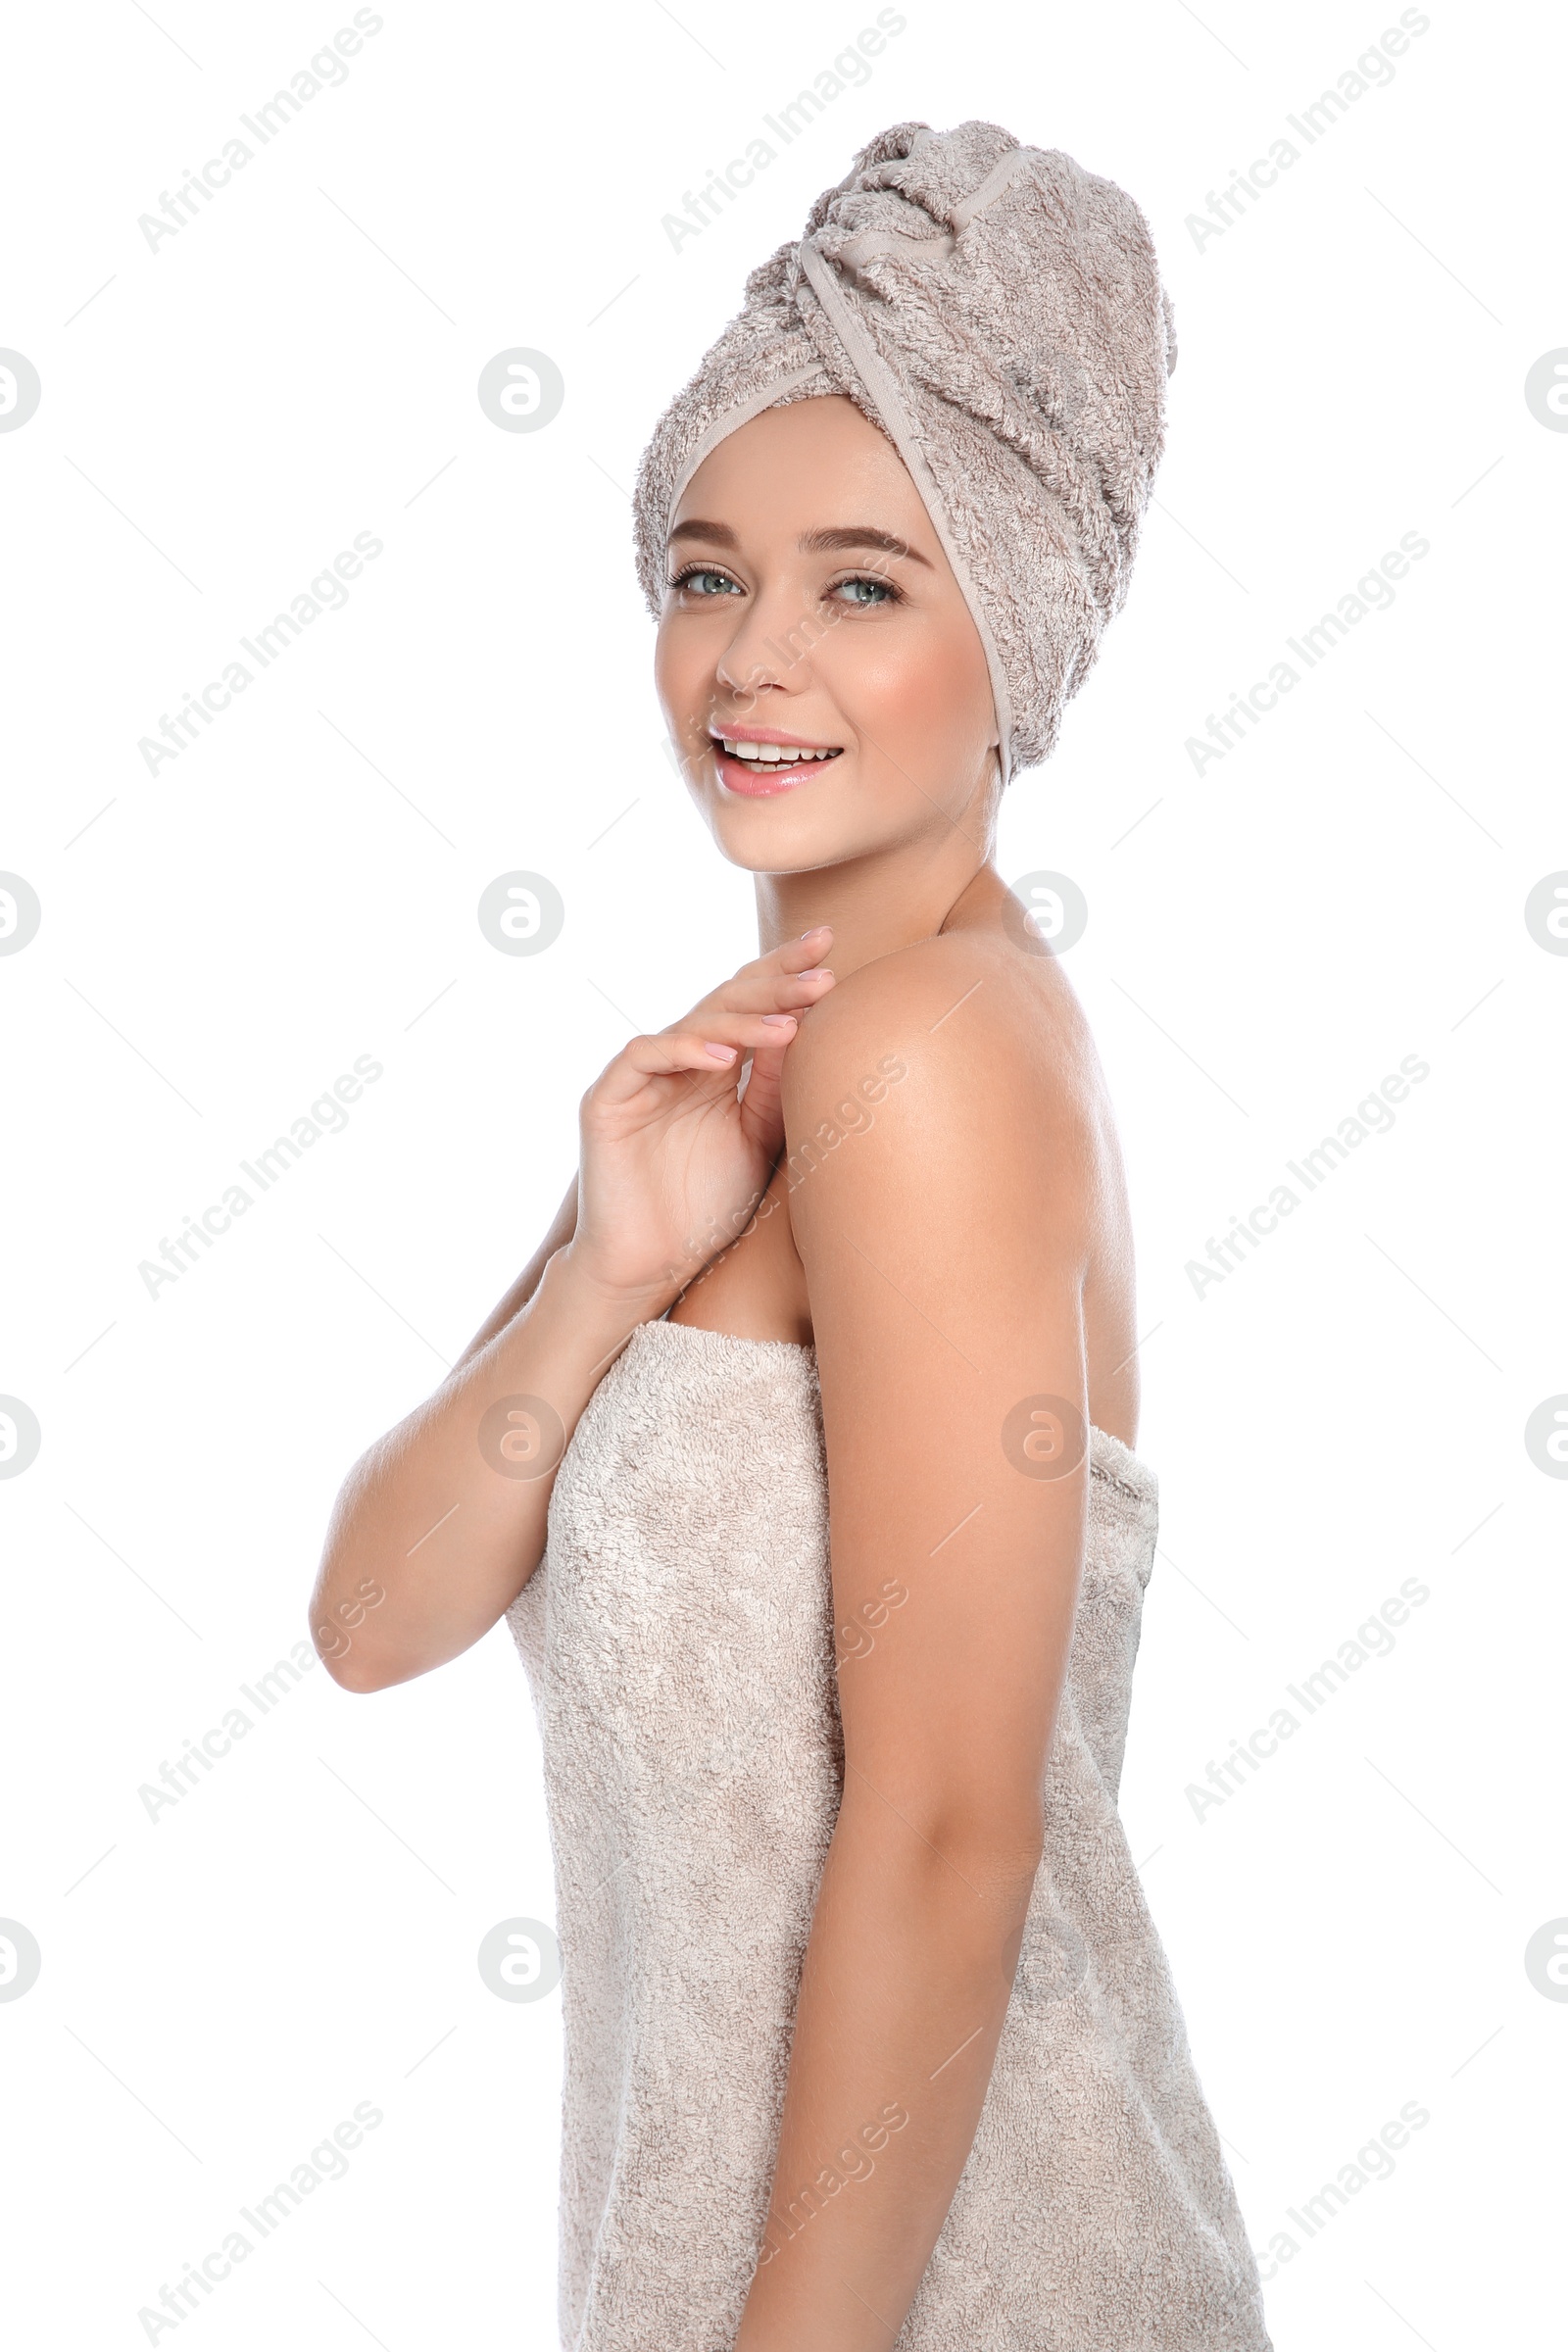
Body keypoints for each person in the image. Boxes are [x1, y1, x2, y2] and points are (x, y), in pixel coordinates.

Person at [311, 119, 1272, 2352]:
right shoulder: (743, 1070)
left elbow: (945, 1841)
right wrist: (605, 1271)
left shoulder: (919, 1053)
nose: (750, 659)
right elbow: (374, 1615)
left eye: (861, 583)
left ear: (1012, 623)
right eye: (701, 570)